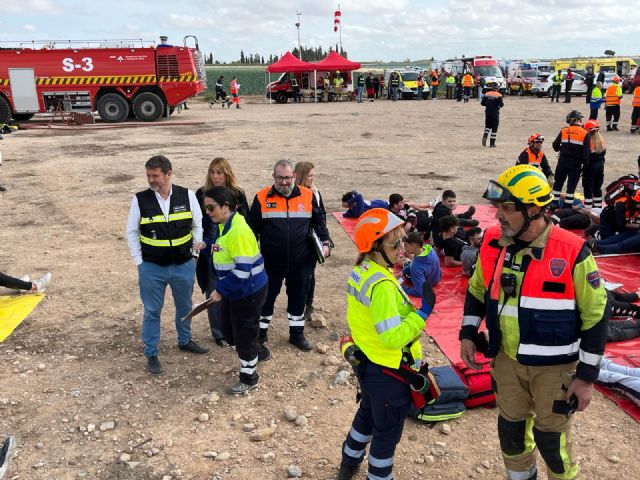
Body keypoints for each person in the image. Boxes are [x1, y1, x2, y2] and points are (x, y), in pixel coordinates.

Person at [459, 164, 609, 480]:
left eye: (507, 208)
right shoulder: (492, 243)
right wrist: (468, 333)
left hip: (555, 371)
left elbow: (597, 315)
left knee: (552, 443)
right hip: (506, 363)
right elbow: (477, 290)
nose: (497, 215)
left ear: (535, 209)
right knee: (511, 435)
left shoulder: (572, 251)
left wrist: (586, 378)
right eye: (497, 206)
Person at [336, 208, 436, 480]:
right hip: (390, 372)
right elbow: (392, 337)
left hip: (369, 365)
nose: (402, 247)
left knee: (366, 416)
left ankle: (348, 464)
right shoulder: (381, 285)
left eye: (402, 241)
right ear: (376, 246)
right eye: (396, 242)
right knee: (386, 436)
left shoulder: (362, 271)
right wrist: (422, 315)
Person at [126, 155, 209, 375]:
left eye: (155, 176)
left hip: (183, 265)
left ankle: (185, 340)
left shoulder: (187, 196)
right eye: (148, 176)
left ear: (169, 174)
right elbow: (132, 232)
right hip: (152, 267)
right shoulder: (140, 200)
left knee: (184, 307)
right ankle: (151, 352)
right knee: (152, 311)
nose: (151, 180)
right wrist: (140, 262)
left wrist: (194, 257)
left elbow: (197, 226)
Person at [248, 160, 330, 352]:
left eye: (287, 178)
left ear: (293, 176)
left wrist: (325, 243)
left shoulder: (308, 196)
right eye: (280, 178)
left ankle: (296, 334)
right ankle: (260, 334)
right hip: (270, 262)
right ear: (274, 177)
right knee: (266, 299)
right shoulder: (261, 197)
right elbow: (252, 230)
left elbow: (319, 223)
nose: (284, 182)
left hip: (301, 261)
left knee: (298, 298)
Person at [202, 186, 269, 394]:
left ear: (227, 207)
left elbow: (242, 272)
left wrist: (220, 290)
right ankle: (259, 350)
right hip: (238, 290)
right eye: (206, 208)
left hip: (247, 292)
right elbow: (226, 250)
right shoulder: (227, 225)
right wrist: (208, 245)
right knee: (231, 329)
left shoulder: (238, 232)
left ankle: (249, 378)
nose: (208, 212)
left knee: (243, 334)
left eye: (211, 208)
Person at [195, 157, 250, 346]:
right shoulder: (202, 193)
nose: (216, 176)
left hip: (233, 248)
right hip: (211, 249)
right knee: (213, 290)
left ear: (227, 173)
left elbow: (246, 222)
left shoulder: (237, 194)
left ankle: (235, 329)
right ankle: (219, 333)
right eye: (212, 172)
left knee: (236, 287)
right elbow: (198, 222)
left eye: (219, 172)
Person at [294, 161, 329, 322]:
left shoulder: (315, 192)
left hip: (311, 240)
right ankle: (297, 302)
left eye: (313, 176)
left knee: (309, 273)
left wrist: (324, 239)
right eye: (310, 176)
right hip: (295, 239)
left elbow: (321, 215)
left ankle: (308, 304)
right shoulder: (292, 192)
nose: (312, 179)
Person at [551, 110, 591, 206]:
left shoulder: (564, 130)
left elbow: (555, 146)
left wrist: (563, 148)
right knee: (571, 187)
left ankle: (553, 205)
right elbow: (586, 155)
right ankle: (567, 208)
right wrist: (584, 167)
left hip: (562, 162)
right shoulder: (585, 133)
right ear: (578, 119)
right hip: (575, 164)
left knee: (557, 184)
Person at [401, 231, 442, 296]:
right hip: (435, 279)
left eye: (406, 245)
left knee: (403, 261)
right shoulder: (429, 248)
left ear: (414, 246)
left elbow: (420, 292)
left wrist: (402, 287)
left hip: (425, 282)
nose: (404, 248)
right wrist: (403, 271)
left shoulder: (416, 267)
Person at [582, 120, 607, 209]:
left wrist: (583, 170)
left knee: (588, 188)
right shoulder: (601, 140)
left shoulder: (588, 141)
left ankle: (588, 209)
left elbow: (586, 157)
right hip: (600, 166)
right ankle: (598, 208)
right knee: (597, 188)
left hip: (591, 168)